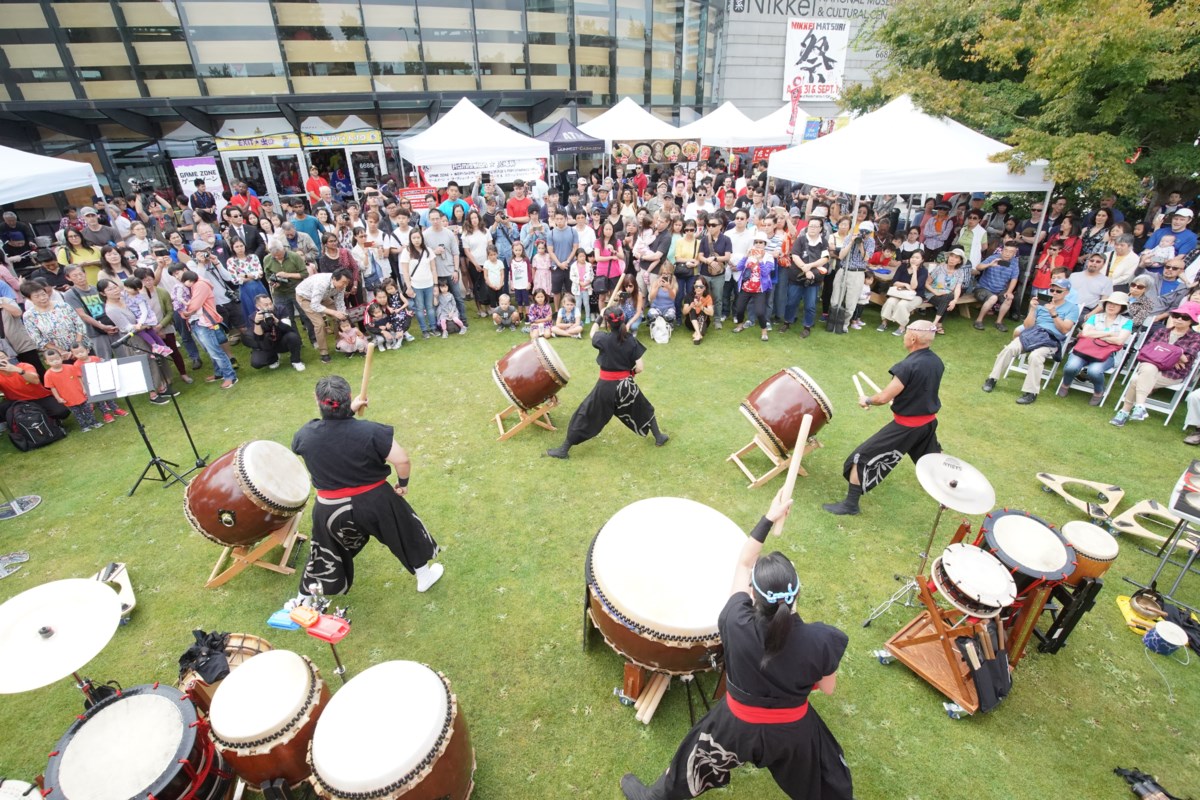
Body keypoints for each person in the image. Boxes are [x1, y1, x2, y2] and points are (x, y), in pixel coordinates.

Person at [621, 491, 851, 800]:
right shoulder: (822, 640)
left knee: (689, 764)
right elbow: (827, 688)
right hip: (792, 731)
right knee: (828, 783)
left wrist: (769, 518)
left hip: (736, 724)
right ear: (798, 593)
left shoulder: (734, 621)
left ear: (753, 596)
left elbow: (745, 562)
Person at [290, 375, 443, 599]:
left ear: (317, 399)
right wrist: (402, 485)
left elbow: (332, 435)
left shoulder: (305, 435)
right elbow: (402, 460)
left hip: (331, 509)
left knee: (325, 550)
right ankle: (424, 576)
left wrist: (347, 412)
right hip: (375, 502)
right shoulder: (371, 432)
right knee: (404, 531)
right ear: (349, 397)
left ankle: (305, 598)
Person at [824, 321, 944, 516]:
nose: (904, 336)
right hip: (927, 423)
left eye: (906, 333)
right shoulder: (937, 362)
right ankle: (948, 494)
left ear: (913, 339)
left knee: (861, 458)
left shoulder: (907, 366)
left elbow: (883, 397)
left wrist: (868, 400)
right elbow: (921, 389)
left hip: (907, 427)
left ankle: (850, 505)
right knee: (931, 460)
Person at [546, 306, 668, 459]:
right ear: (623, 320)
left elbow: (592, 333)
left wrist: (599, 318)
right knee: (644, 407)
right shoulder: (630, 340)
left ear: (608, 323)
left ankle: (564, 449)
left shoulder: (602, 338)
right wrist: (630, 373)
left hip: (605, 387)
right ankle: (659, 437)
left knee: (585, 414)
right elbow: (640, 368)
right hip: (625, 386)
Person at [982, 278, 1079, 405]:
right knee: (1010, 348)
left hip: (1051, 339)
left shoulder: (1072, 308)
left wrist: (1053, 314)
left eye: (1058, 291)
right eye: (1052, 290)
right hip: (1034, 333)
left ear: (1066, 292)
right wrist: (1032, 309)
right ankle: (992, 379)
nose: (1054, 293)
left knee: (1035, 356)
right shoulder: (1041, 303)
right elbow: (1028, 326)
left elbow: (1065, 329)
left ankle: (1031, 392)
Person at [1110, 302, 1200, 427]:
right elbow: (1146, 350)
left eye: (1185, 317)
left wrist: (1162, 350)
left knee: (1136, 379)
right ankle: (1139, 407)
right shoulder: (1162, 331)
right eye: (1176, 315)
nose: (1179, 319)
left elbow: (1186, 359)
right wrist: (1175, 353)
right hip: (1149, 367)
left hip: (1171, 373)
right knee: (1148, 368)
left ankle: (1125, 411)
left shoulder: (1195, 337)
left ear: (1192, 321)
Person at [1056, 292, 1132, 405]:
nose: (1111, 306)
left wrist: (1095, 334)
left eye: (1116, 304)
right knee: (1071, 367)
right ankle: (1065, 384)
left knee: (1094, 371)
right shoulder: (1095, 317)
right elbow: (1085, 333)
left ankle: (1098, 391)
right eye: (1109, 303)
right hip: (1084, 350)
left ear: (1122, 307)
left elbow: (1120, 341)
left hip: (1107, 354)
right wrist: (1109, 334)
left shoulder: (1127, 322)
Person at [180, 269, 238, 389]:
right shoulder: (195, 285)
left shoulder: (200, 285)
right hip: (197, 322)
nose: (177, 277)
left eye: (177, 273)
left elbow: (195, 305)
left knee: (215, 351)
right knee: (210, 350)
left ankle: (230, 376)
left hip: (205, 322)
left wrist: (185, 312)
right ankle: (219, 373)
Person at [296, 268, 352, 362]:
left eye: (347, 283)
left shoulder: (341, 285)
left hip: (323, 296)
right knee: (320, 324)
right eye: (343, 282)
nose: (345, 285)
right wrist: (334, 312)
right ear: (334, 279)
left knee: (340, 318)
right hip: (306, 298)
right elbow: (314, 305)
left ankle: (340, 344)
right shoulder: (321, 283)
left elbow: (339, 301)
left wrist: (342, 314)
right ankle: (324, 352)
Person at [0, 348, 70, 424]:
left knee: (62, 411)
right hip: (17, 402)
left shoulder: (24, 366)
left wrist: (19, 370)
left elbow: (35, 380)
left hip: (40, 397)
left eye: (2, 357)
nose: (1, 360)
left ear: (8, 358)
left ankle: (48, 419)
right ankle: (14, 422)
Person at [786, 217, 830, 337]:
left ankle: (807, 326)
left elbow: (825, 259)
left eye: (815, 226)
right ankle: (787, 321)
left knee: (810, 305)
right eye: (810, 226)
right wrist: (805, 270)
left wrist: (810, 266)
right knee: (791, 302)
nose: (812, 228)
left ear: (820, 229)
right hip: (797, 276)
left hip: (813, 279)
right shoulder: (800, 239)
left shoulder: (824, 242)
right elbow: (795, 255)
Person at [828, 221, 874, 334]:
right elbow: (841, 255)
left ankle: (844, 324)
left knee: (851, 302)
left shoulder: (871, 241)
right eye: (862, 231)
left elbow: (866, 258)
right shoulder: (850, 237)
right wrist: (851, 242)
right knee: (835, 299)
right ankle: (832, 322)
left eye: (867, 232)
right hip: (844, 269)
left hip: (857, 273)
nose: (864, 234)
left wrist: (861, 245)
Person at [41, 347, 102, 431]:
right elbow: (52, 388)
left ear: (61, 358)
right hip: (68, 399)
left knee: (88, 409)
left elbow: (79, 377)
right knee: (77, 414)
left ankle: (94, 422)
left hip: (80, 394)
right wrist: (58, 398)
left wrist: (84, 388)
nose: (55, 362)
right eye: (51, 361)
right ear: (46, 362)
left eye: (57, 359)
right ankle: (84, 426)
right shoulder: (48, 375)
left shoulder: (70, 367)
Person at [732, 233, 775, 341]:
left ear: (765, 244)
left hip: (759, 289)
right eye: (756, 242)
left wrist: (760, 260)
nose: (758, 244)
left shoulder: (769, 257)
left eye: (761, 242)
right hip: (746, 288)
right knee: (740, 309)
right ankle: (740, 325)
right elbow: (739, 267)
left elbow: (765, 273)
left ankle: (764, 330)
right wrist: (746, 256)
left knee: (760, 312)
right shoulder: (749, 256)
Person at [248, 294, 305, 371]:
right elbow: (258, 338)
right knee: (256, 363)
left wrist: (277, 321)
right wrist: (257, 323)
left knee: (292, 336)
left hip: (282, 340)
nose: (270, 306)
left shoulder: (281, 309)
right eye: (266, 305)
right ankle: (273, 358)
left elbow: (289, 329)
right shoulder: (253, 317)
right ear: (258, 307)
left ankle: (296, 361)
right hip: (267, 344)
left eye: (271, 303)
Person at [878, 251, 929, 336]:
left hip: (916, 296)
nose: (914, 259)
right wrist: (905, 284)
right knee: (890, 301)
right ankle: (884, 322)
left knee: (903, 304)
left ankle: (902, 327)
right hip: (900, 293)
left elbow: (914, 287)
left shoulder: (923, 271)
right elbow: (894, 281)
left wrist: (915, 271)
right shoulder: (902, 267)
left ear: (922, 260)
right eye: (912, 257)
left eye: (917, 258)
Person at [972, 243, 1020, 331]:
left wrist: (1009, 292)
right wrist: (989, 265)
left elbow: (1014, 278)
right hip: (982, 288)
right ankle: (978, 320)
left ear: (1014, 253)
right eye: (1006, 250)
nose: (1007, 253)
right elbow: (978, 267)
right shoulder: (993, 258)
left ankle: (999, 322)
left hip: (1000, 290)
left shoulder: (1014, 263)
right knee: (993, 298)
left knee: (1009, 298)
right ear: (1002, 250)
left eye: (1011, 252)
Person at [926, 249, 964, 335]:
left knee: (948, 297)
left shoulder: (960, 272)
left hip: (947, 295)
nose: (952, 259)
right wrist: (936, 292)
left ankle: (934, 324)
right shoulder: (939, 268)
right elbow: (927, 284)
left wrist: (955, 301)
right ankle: (938, 325)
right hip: (933, 294)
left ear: (959, 261)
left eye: (956, 257)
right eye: (951, 256)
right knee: (948, 299)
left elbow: (958, 288)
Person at [683, 278, 714, 344]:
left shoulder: (708, 297)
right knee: (692, 309)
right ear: (694, 287)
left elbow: (711, 313)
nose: (698, 288)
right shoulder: (689, 296)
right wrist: (690, 306)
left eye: (701, 286)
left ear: (705, 288)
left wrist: (701, 306)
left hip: (703, 322)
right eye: (696, 286)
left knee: (703, 311)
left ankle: (697, 334)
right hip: (690, 323)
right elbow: (684, 312)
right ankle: (698, 333)